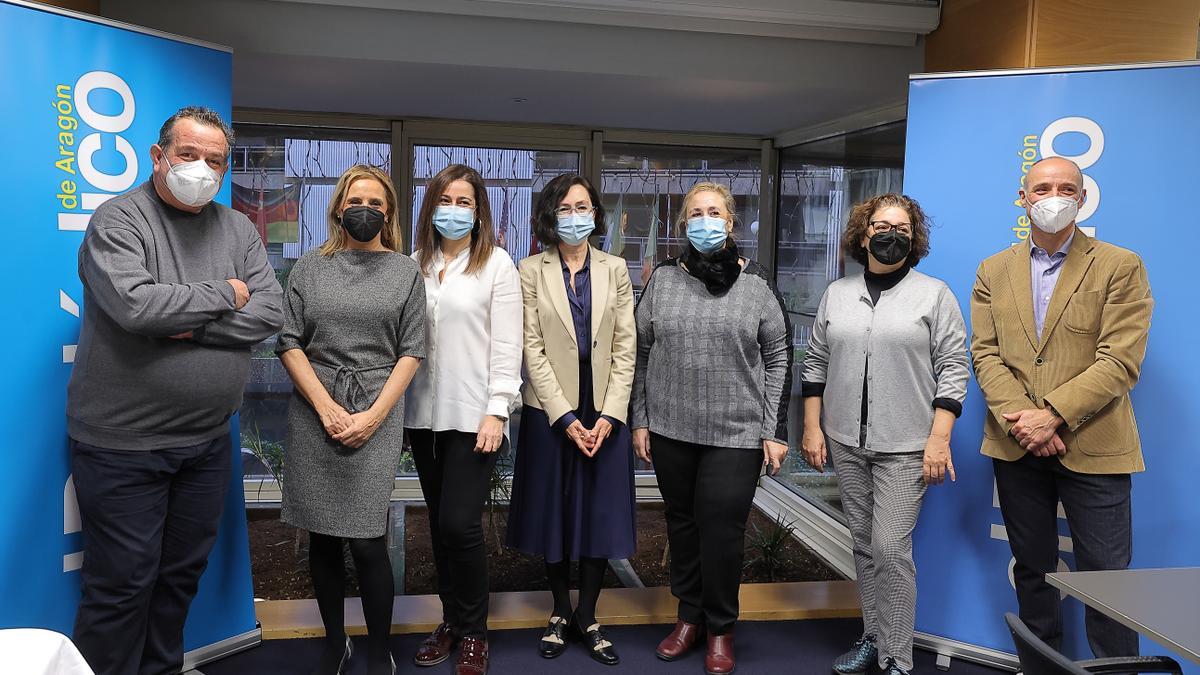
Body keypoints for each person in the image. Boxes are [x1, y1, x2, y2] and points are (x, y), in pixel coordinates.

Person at [66, 106, 283, 675]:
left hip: (207, 443)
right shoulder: (119, 221)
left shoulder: (237, 227)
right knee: (121, 587)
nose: (203, 169)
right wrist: (225, 292)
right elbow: (137, 307)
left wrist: (183, 314)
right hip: (123, 447)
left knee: (179, 578)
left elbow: (268, 312)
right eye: (189, 155)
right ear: (158, 156)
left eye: (216, 160)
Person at [970, 156, 1153, 659]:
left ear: (1082, 197)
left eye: (1066, 187)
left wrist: (1051, 415)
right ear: (1023, 198)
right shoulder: (993, 270)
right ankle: (1040, 669)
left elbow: (1120, 360)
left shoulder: (1120, 265)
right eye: (1043, 187)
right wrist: (1026, 423)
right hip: (1017, 446)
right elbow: (985, 355)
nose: (1054, 196)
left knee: (1108, 586)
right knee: (1031, 573)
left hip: (1096, 447)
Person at [800, 193, 969, 675]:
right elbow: (815, 362)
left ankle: (898, 657)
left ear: (913, 238)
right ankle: (873, 636)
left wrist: (939, 439)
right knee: (862, 543)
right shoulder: (838, 293)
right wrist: (812, 428)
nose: (890, 233)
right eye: (880, 224)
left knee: (891, 548)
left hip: (906, 445)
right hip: (845, 441)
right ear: (863, 232)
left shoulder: (934, 294)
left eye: (901, 227)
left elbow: (955, 368)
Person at [631, 182, 791, 675]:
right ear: (683, 224)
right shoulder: (661, 279)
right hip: (671, 428)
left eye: (714, 212)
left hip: (737, 434)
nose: (705, 220)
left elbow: (779, 356)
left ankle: (721, 628)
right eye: (696, 213)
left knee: (721, 533)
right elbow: (639, 351)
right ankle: (689, 618)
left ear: (731, 223)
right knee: (682, 526)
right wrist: (641, 419)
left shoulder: (758, 283)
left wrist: (774, 429)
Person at [276, 164, 425, 675]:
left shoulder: (406, 271)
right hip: (314, 407)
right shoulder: (308, 267)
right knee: (322, 535)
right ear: (339, 207)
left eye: (378, 204)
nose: (367, 210)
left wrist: (373, 417)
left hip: (378, 408)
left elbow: (412, 351)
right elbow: (288, 341)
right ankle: (335, 641)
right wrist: (326, 407)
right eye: (357, 201)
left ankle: (379, 647)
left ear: (389, 214)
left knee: (366, 540)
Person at [506, 173, 637, 666]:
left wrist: (610, 415)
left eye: (583, 207)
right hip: (550, 412)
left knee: (599, 513)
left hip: (605, 409)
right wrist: (563, 417)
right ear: (549, 214)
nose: (575, 216)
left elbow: (626, 347)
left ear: (596, 214)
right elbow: (530, 347)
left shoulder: (616, 269)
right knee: (555, 515)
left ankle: (589, 614)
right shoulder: (529, 269)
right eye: (565, 207)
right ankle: (560, 610)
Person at [406, 163, 522, 675]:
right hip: (422, 416)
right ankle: (450, 621)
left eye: (465, 203)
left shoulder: (497, 265)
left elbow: (507, 346)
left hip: (476, 417)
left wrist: (498, 410)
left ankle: (475, 631)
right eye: (445, 201)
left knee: (460, 524)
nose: (454, 211)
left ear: (479, 213)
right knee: (437, 524)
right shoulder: (414, 263)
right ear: (430, 208)